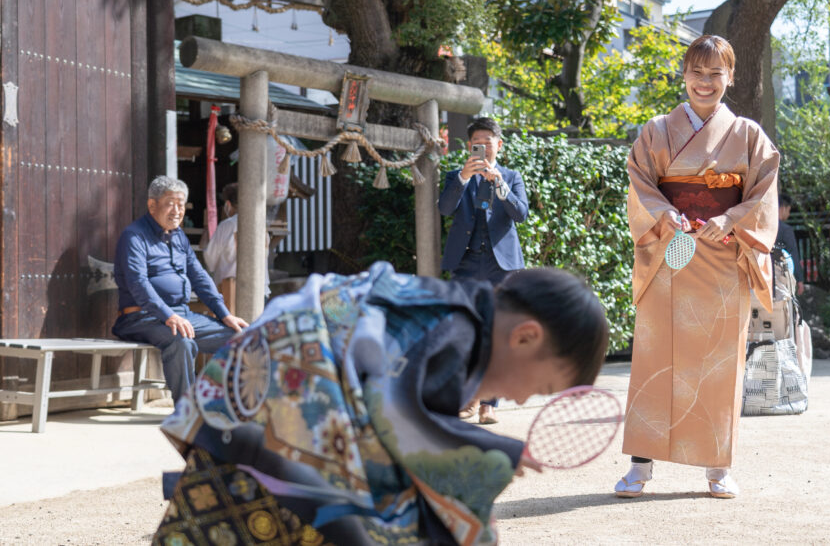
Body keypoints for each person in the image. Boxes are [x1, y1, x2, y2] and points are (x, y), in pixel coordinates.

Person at [155, 262, 609, 545]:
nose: (523, 398)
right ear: (525, 336)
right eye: (542, 385)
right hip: (287, 420)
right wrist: (496, 454)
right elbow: (396, 414)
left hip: (251, 408)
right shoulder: (457, 333)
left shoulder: (444, 308)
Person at [615, 34, 779, 500]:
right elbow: (641, 183)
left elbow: (763, 192)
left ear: (731, 77)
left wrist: (729, 217)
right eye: (697, 72)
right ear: (683, 74)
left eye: (715, 73)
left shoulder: (748, 134)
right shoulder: (655, 131)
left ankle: (718, 467)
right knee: (654, 361)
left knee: (719, 363)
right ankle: (640, 467)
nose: (705, 82)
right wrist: (664, 214)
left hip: (724, 255)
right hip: (671, 254)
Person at [112, 176, 248, 403]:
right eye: (170, 203)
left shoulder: (179, 237)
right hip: (140, 317)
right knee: (182, 341)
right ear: (152, 205)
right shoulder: (134, 237)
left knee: (240, 337)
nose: (177, 210)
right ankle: (188, 410)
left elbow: (199, 277)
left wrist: (224, 314)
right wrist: (168, 315)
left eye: (181, 204)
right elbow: (139, 285)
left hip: (182, 316)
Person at [439, 116, 529, 425]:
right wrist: (464, 177)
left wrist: (499, 184)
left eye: (488, 143)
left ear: (498, 145)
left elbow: (521, 213)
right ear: (469, 146)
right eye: (477, 144)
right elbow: (444, 208)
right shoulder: (456, 175)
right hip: (465, 263)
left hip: (500, 265)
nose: (483, 148)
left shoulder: (512, 176)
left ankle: (488, 403)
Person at [201, 182, 271, 308]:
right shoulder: (262, 225)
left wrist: (206, 232)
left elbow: (210, 261)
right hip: (261, 290)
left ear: (228, 204)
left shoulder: (227, 225)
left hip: (231, 292)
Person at [776, 192, 805, 295]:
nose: (788, 214)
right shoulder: (785, 230)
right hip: (781, 275)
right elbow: (793, 254)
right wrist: (799, 279)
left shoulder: (762, 227)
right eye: (789, 210)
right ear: (783, 208)